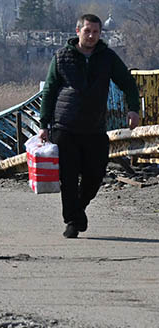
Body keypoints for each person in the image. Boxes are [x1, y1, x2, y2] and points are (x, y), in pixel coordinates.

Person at [38, 13, 140, 239]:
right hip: (65, 127)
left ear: (100, 34)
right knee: (69, 177)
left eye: (95, 32)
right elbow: (49, 91)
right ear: (78, 31)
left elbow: (128, 83)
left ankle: (78, 210)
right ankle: (73, 222)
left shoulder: (107, 58)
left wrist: (133, 108)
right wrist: (44, 124)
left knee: (95, 174)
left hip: (94, 127)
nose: (92, 35)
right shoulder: (62, 57)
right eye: (87, 31)